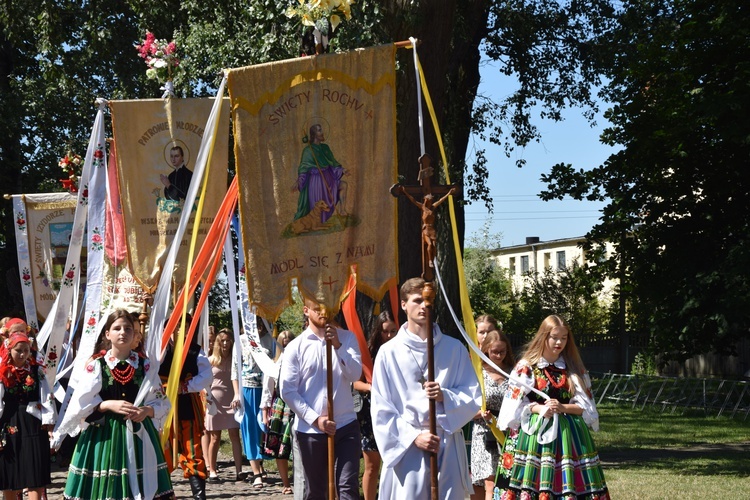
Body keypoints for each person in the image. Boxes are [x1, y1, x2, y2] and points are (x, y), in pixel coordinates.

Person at [371, 277, 482, 499]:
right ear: (403, 304)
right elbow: (381, 408)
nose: (424, 306)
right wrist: (414, 436)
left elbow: (472, 397)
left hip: (446, 443)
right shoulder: (388, 352)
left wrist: (445, 396)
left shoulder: (454, 348)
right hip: (408, 448)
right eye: (417, 300)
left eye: (428, 301)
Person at [59, 309, 174, 499]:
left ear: (135, 334)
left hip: (139, 433)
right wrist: (106, 405)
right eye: (117, 328)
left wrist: (147, 410)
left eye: (128, 329)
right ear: (107, 334)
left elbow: (162, 402)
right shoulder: (97, 365)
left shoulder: (145, 366)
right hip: (104, 435)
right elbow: (80, 403)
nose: (122, 332)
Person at [495, 315, 609, 500]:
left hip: (567, 436)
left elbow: (585, 408)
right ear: (543, 336)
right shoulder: (527, 367)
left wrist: (562, 406)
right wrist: (537, 408)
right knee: (532, 482)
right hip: (533, 436)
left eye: (564, 338)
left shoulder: (573, 368)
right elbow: (512, 407)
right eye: (555, 337)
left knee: (566, 482)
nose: (559, 342)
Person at [280, 298, 363, 500]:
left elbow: (354, 375)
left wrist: (337, 345)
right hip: (311, 429)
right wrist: (316, 419)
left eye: (327, 308)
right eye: (317, 309)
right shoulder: (296, 347)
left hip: (345, 424)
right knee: (317, 490)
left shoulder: (347, 339)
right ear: (306, 310)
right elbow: (287, 390)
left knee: (347, 487)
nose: (323, 313)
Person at [159, 316, 212, 500]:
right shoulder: (159, 351)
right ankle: (162, 493)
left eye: (185, 327)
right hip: (163, 407)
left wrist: (186, 387)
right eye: (176, 326)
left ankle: (199, 496)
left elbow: (206, 376)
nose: (180, 330)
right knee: (162, 449)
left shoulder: (195, 351)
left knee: (193, 449)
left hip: (187, 404)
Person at [0, 332, 55, 500]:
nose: (23, 354)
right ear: (9, 350)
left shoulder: (37, 371)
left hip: (33, 422)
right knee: (9, 472)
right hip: (9, 422)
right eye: (18, 350)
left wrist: (49, 424)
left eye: (26, 350)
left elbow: (46, 397)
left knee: (35, 471)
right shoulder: (2, 372)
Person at [352, 310, 397, 500]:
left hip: (397, 412)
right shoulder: (369, 352)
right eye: (385, 331)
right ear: (378, 332)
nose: (389, 336)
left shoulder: (403, 350)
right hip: (371, 414)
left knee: (394, 462)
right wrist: (371, 387)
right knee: (372, 465)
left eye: (393, 331)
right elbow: (355, 382)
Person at [470, 330, 515, 500]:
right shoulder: (477, 372)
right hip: (484, 432)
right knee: (488, 481)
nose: (498, 355)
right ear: (486, 349)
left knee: (503, 481)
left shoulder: (514, 373)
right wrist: (480, 414)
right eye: (494, 351)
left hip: (506, 431)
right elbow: (466, 407)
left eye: (502, 351)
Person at [236, 317, 274, 488]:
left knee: (263, 428)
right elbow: (234, 369)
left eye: (260, 323)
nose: (258, 327)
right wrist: (237, 394)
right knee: (250, 429)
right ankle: (256, 472)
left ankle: (261, 463)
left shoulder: (270, 340)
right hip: (248, 389)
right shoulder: (242, 340)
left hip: (266, 390)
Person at [204, 329, 245, 483]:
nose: (226, 344)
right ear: (218, 343)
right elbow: (202, 380)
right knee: (215, 437)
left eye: (228, 340)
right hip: (215, 402)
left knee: (235, 434)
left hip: (231, 400)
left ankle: (239, 470)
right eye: (222, 341)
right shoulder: (211, 360)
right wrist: (205, 394)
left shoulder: (236, 360)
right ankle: (212, 470)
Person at [260, 330, 296, 495]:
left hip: (296, 405)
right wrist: (265, 412)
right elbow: (267, 389)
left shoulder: (299, 361)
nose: (287, 346)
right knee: (279, 446)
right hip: (280, 407)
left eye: (290, 342)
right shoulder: (274, 364)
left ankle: (300, 479)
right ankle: (285, 482)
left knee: (298, 446)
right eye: (284, 343)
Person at [291, 124, 348, 223]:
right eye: (319, 130)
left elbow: (332, 162)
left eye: (321, 130)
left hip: (329, 177)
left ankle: (342, 210)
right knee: (319, 206)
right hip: (317, 181)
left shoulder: (325, 148)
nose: (322, 133)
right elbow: (304, 167)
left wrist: (342, 170)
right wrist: (299, 181)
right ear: (314, 134)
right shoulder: (308, 150)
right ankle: (317, 221)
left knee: (344, 185)